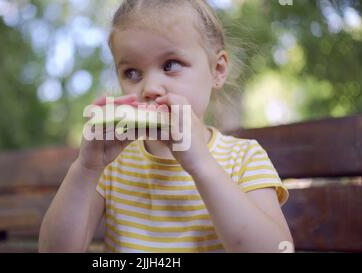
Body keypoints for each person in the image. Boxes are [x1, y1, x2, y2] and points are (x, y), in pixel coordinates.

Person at [39, 0, 294, 253]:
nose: (149, 88)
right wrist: (86, 168)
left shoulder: (244, 158)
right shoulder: (111, 165)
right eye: (132, 73)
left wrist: (201, 164)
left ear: (217, 70)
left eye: (170, 65)